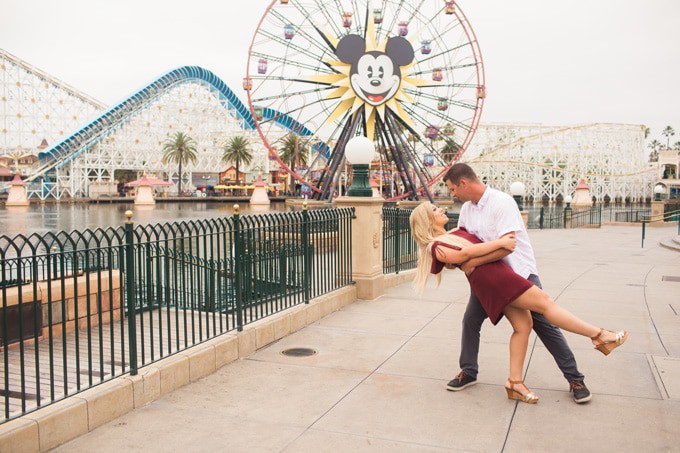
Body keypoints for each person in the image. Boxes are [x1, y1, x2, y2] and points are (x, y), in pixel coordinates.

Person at [409, 201, 628, 403]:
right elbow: (463, 255)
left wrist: (480, 255)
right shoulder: (436, 246)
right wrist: (500, 243)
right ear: (428, 220)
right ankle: (599, 336)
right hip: (495, 281)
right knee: (546, 304)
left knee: (524, 326)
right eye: (435, 209)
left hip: (499, 275)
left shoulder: (457, 232)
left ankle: (515, 383)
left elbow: (468, 259)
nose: (441, 209)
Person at [442, 163, 602, 403]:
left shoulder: (502, 202)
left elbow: (507, 246)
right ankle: (469, 371)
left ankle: (575, 379)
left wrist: (471, 263)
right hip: (489, 280)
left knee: (545, 326)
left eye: (453, 189)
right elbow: (465, 242)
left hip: (519, 275)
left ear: (463, 183)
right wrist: (454, 259)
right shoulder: (467, 209)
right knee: (471, 320)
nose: (452, 194)